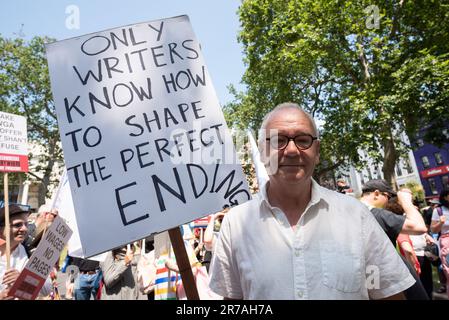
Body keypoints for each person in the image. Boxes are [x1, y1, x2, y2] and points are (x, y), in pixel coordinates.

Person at [209, 102, 415, 300]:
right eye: (278, 140)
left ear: (316, 151)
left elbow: (387, 293)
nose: (291, 151)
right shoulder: (236, 224)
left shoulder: (356, 215)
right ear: (263, 152)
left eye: (303, 140)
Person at [0, 205, 52, 299]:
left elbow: (47, 288)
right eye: (17, 225)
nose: (24, 229)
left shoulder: (30, 252)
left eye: (26, 224)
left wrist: (24, 279)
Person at [430, 189, 449, 299]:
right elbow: (433, 230)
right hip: (447, 244)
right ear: (446, 197)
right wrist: (440, 222)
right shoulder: (438, 211)